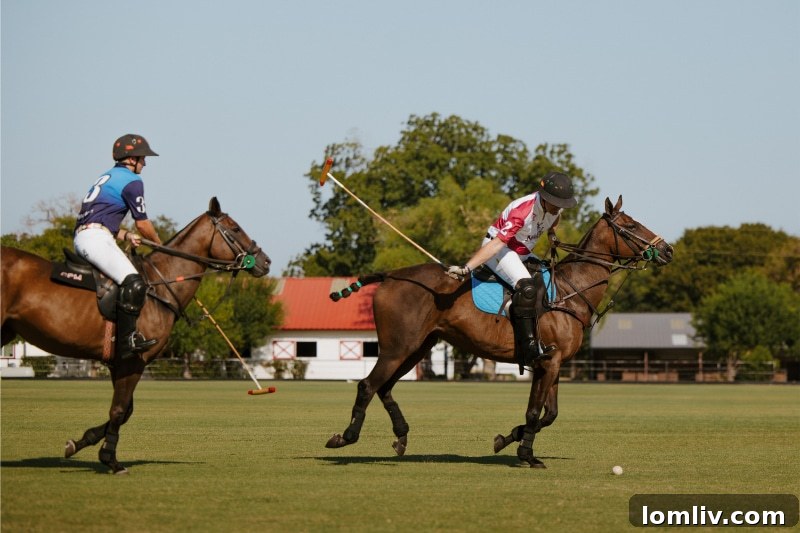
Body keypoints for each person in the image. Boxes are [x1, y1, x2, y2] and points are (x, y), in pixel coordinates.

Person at [446, 172, 577, 372]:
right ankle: (529, 347)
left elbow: (555, 220)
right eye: (557, 202)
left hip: (522, 254)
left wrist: (551, 234)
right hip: (499, 249)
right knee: (527, 288)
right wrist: (467, 267)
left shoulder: (555, 210)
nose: (560, 207)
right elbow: (497, 243)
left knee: (547, 281)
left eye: (562, 203)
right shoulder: (522, 211)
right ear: (545, 198)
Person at [74, 134, 163, 361]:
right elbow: (143, 223)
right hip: (95, 239)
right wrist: (161, 246)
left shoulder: (107, 176)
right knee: (135, 283)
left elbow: (98, 220)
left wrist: (125, 235)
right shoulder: (133, 181)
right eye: (143, 158)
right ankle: (128, 339)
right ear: (131, 159)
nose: (145, 163)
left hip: (88, 236)